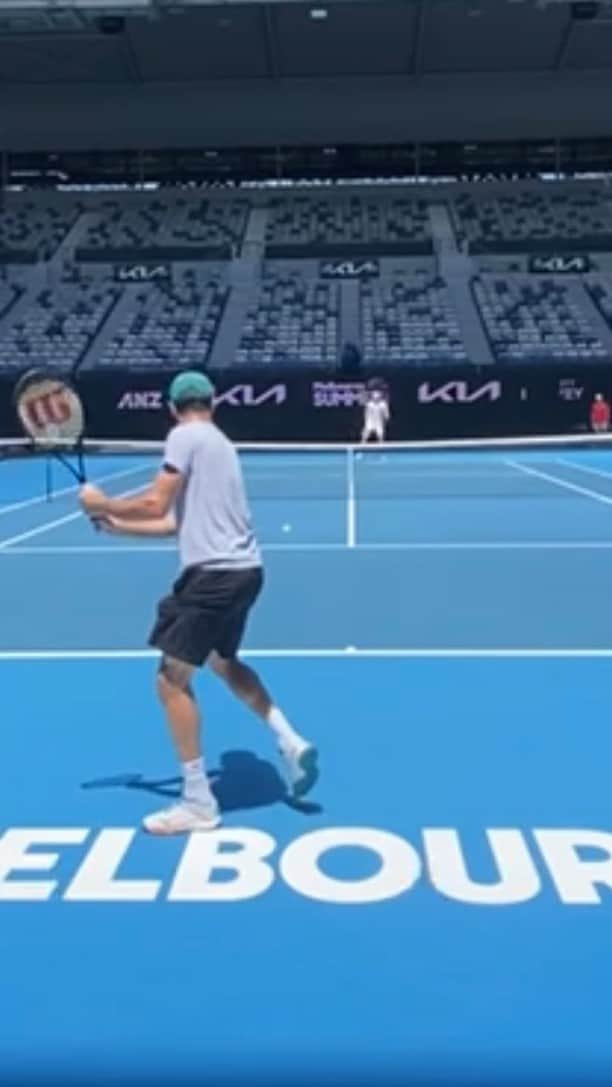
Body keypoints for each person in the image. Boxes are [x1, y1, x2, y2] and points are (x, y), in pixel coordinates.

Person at [79, 370, 318, 835]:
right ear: (214, 402)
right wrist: (116, 526)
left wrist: (102, 502)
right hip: (246, 571)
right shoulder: (220, 445)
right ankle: (289, 739)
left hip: (211, 578)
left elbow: (154, 503)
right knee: (224, 663)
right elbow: (173, 524)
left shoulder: (183, 436)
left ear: (172, 408)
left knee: (170, 681)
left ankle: (197, 802)